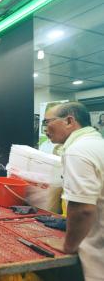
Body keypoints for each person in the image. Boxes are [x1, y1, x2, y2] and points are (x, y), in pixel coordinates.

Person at [43, 102, 104, 281]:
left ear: (69, 121)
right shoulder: (96, 144)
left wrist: (68, 245)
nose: (46, 128)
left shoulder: (77, 151)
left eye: (48, 122)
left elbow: (83, 209)